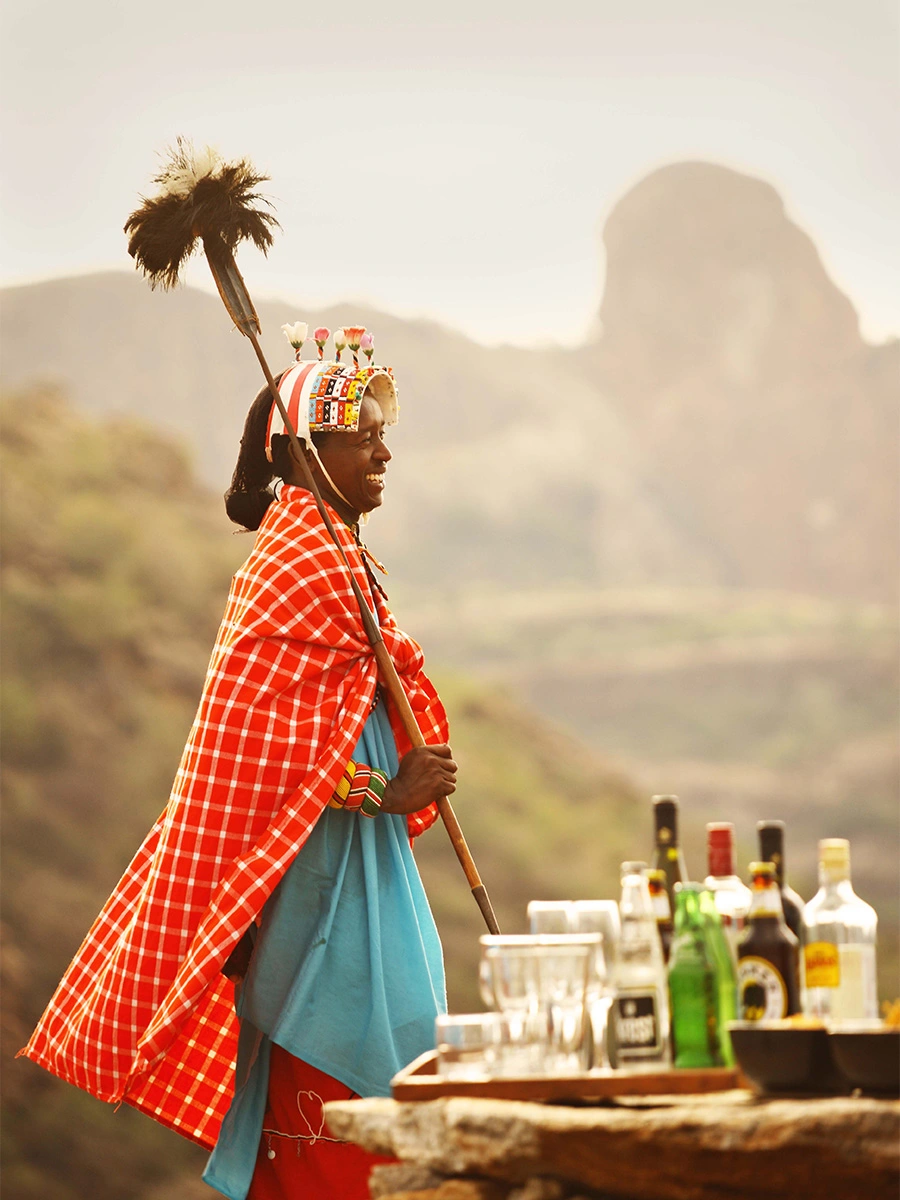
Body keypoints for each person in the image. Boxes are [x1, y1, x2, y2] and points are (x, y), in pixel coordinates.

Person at [20, 332, 456, 1200]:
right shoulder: (297, 561)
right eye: (362, 434)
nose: (384, 451)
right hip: (319, 877)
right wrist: (385, 789)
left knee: (397, 1037)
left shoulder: (334, 550)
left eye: (381, 432)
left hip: (349, 868)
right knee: (352, 1055)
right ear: (307, 449)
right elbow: (267, 757)